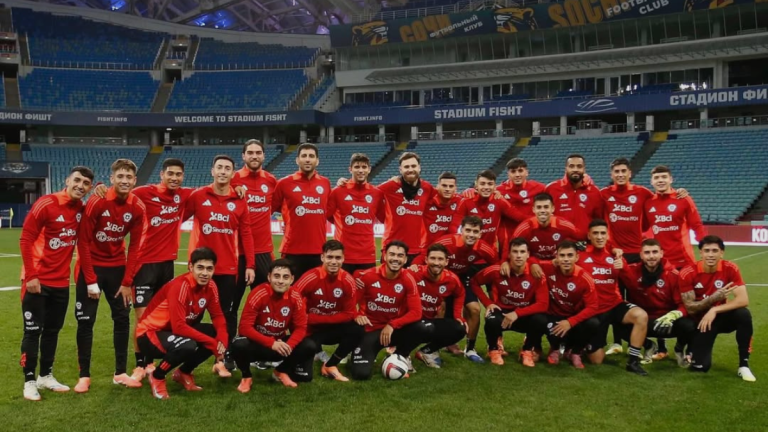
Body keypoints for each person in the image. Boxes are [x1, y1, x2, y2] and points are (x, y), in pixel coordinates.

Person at [19, 166, 94, 401]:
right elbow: (26, 237)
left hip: (61, 283)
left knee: (52, 331)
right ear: (67, 181)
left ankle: (45, 375)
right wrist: (31, 275)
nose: (80, 186)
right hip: (37, 281)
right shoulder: (46, 203)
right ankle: (29, 381)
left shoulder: (81, 210)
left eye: (86, 183)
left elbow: (83, 243)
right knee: (32, 331)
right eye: (77, 180)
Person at [75, 159, 147, 393]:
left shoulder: (137, 207)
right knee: (86, 322)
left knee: (122, 320)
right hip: (91, 268)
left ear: (135, 181)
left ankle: (120, 373)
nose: (124, 181)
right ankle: (84, 376)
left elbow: (135, 246)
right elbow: (83, 242)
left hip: (117, 269)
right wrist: (91, 279)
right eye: (120, 177)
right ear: (112, 178)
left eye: (129, 177)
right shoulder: (97, 201)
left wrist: (127, 282)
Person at [184, 155, 255, 373]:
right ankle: (185, 353)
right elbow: (176, 211)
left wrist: (250, 265)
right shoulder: (198, 196)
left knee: (225, 315)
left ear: (233, 175)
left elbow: (246, 233)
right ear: (212, 171)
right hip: (199, 269)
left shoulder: (240, 200)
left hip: (227, 269)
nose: (223, 171)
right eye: (219, 168)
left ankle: (222, 359)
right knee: (190, 314)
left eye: (227, 168)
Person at [135, 247, 229, 399]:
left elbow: (217, 315)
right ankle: (157, 376)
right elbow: (179, 326)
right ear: (190, 267)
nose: (205, 273)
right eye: (200, 268)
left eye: (209, 269)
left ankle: (183, 372)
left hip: (172, 331)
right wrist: (212, 343)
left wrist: (222, 340)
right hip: (149, 335)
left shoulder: (211, 286)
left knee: (213, 331)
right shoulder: (181, 286)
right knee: (187, 345)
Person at [128, 158, 191, 382]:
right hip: (144, 264)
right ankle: (139, 364)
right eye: (170, 173)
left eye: (178, 174)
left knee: (161, 319)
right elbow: (121, 192)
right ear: (162, 174)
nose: (174, 178)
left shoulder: (184, 196)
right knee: (142, 318)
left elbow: (211, 191)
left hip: (167, 265)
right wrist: (100, 190)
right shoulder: (144, 192)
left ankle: (152, 360)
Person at [425, 215, 505, 363]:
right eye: (468, 230)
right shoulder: (447, 242)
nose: (471, 234)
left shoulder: (483, 248)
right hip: (442, 280)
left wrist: (503, 266)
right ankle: (433, 349)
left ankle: (470, 349)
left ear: (480, 234)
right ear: (461, 230)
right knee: (439, 308)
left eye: (475, 231)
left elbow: (496, 265)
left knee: (474, 309)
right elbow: (427, 256)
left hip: (462, 280)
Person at [232, 259, 317, 391]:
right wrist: (271, 343)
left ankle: (281, 371)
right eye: (276, 276)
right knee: (238, 344)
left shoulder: (295, 297)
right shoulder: (258, 293)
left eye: (285, 277)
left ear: (292, 279)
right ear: (269, 277)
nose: (281, 281)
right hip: (259, 345)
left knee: (310, 345)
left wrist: (289, 345)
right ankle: (246, 376)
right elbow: (244, 327)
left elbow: (301, 328)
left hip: (280, 346)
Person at [679, 236, 755, 381]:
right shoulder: (688, 272)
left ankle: (743, 365)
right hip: (701, 322)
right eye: (707, 250)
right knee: (700, 367)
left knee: (743, 314)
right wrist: (712, 301)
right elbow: (690, 308)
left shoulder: (730, 268)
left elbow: (743, 300)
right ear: (700, 253)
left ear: (722, 253)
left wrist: (714, 310)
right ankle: (686, 347)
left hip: (719, 316)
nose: (711, 254)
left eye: (715, 250)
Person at [350, 241, 430, 380]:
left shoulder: (408, 279)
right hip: (370, 330)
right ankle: (355, 353)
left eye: (400, 256)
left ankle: (399, 356)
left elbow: (416, 312)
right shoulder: (367, 276)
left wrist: (393, 324)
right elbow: (349, 305)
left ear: (405, 259)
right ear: (385, 256)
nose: (396, 259)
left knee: (424, 327)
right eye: (392, 254)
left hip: (393, 330)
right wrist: (357, 315)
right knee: (361, 374)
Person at [578, 220, 649, 375]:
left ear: (608, 235)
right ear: (589, 236)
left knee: (641, 316)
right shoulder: (580, 256)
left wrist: (623, 269)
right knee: (596, 361)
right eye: (595, 233)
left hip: (614, 305)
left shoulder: (615, 256)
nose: (599, 236)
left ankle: (633, 361)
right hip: (594, 310)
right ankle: (581, 345)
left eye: (603, 233)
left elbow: (632, 285)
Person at [470, 238, 548, 367]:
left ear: (528, 254)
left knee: (541, 320)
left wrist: (517, 313)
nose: (518, 255)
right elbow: (474, 282)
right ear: (509, 254)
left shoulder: (536, 274)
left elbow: (543, 304)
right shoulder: (496, 270)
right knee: (491, 319)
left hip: (523, 315)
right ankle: (494, 349)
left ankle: (527, 350)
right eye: (515, 251)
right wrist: (488, 303)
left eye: (522, 252)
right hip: (503, 314)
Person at [292, 240, 364, 382]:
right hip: (311, 330)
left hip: (331, 328)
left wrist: (312, 318)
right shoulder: (310, 277)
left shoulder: (348, 281)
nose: (333, 261)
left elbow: (349, 314)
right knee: (304, 377)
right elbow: (292, 303)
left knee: (358, 328)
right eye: (330, 257)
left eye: (337, 258)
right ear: (322, 257)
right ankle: (312, 352)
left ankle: (331, 364)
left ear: (343, 259)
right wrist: (304, 320)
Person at [618, 239, 696, 367]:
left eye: (655, 252)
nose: (651, 256)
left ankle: (679, 348)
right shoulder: (631, 271)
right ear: (641, 255)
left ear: (661, 253)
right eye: (647, 253)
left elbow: (684, 305)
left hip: (666, 322)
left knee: (690, 325)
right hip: (643, 322)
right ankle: (649, 345)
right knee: (618, 322)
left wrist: (674, 315)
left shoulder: (673, 275)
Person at [231, 139, 278, 320]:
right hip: (237, 253)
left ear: (264, 156)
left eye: (258, 153)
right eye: (250, 153)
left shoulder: (271, 180)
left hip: (263, 253)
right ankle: (228, 344)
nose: (254, 156)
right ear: (243, 156)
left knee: (265, 305)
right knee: (232, 304)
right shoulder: (234, 178)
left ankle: (260, 344)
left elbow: (274, 207)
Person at [272, 143, 331, 278]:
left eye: (311, 156)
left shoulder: (325, 183)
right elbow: (273, 207)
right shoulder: (284, 183)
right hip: (292, 250)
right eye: (304, 156)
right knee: (291, 295)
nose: (307, 159)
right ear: (297, 160)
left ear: (317, 160)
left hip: (318, 251)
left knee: (316, 295)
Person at [539, 241, 600, 369]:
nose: (566, 259)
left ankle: (575, 352)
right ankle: (555, 348)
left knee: (593, 323)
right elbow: (528, 263)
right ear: (556, 257)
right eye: (562, 255)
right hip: (554, 315)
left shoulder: (584, 277)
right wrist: (534, 265)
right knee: (540, 319)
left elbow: (593, 306)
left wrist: (571, 321)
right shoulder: (548, 268)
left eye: (569, 255)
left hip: (574, 318)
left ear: (577, 257)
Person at [409, 243, 466, 369]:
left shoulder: (451, 279)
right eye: (433, 258)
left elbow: (460, 293)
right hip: (411, 320)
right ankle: (402, 354)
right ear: (426, 260)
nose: (436, 262)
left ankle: (426, 351)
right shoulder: (414, 273)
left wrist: (457, 315)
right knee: (416, 327)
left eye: (440, 259)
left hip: (430, 320)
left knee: (459, 329)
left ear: (446, 262)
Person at [326, 153, 386, 273]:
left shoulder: (377, 194)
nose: (360, 170)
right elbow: (326, 215)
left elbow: (385, 218)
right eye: (357, 167)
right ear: (350, 169)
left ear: (369, 169)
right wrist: (340, 222)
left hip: (367, 255)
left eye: (364, 167)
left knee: (367, 291)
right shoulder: (338, 192)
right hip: (343, 255)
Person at [377, 152, 435, 265]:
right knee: (389, 282)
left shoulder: (427, 188)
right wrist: (345, 183)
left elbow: (445, 198)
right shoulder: (391, 186)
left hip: (417, 250)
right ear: (400, 169)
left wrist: (470, 192)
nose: (410, 169)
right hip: (392, 248)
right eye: (406, 167)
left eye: (413, 166)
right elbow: (367, 193)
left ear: (419, 167)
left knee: (414, 282)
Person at [644, 165, 706, 270]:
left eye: (664, 177)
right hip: (659, 261)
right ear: (651, 182)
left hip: (683, 260)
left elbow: (697, 225)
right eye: (656, 178)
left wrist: (706, 247)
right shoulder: (648, 203)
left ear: (671, 179)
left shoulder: (683, 199)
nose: (660, 180)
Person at [463, 170, 528, 259]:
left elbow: (519, 217)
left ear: (494, 187)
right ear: (476, 185)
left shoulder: (499, 201)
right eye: (482, 184)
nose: (486, 187)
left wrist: (540, 219)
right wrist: (467, 190)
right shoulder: (466, 200)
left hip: (489, 254)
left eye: (490, 184)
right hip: (466, 254)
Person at [545, 154, 604, 240]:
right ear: (566, 169)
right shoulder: (551, 189)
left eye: (579, 166)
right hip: (558, 244)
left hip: (585, 245)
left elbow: (598, 222)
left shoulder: (594, 192)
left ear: (584, 169)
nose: (575, 169)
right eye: (571, 166)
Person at [512, 193, 580, 265]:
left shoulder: (563, 225)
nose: (542, 210)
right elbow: (511, 249)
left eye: (546, 207)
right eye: (539, 207)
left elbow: (582, 237)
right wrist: (532, 262)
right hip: (535, 266)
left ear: (552, 208)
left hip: (558, 266)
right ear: (533, 209)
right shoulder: (525, 227)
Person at [496, 158, 546, 240]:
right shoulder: (499, 191)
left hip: (533, 234)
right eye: (513, 171)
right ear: (508, 174)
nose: (517, 175)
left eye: (520, 171)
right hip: (510, 237)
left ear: (526, 172)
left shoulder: (539, 188)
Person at [423, 172, 474, 246]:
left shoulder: (461, 202)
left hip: (452, 249)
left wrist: (495, 193)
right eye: (444, 186)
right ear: (437, 187)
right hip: (430, 249)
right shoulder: (427, 202)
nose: (447, 189)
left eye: (451, 186)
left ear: (455, 188)